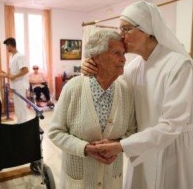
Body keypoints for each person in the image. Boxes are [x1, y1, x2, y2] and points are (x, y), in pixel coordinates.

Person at [81, 1, 193, 189]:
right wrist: (92, 68)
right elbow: (111, 91)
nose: (120, 35)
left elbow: (171, 126)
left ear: (147, 29)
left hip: (175, 149)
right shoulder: (135, 67)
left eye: (126, 29)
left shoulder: (178, 65)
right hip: (143, 147)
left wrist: (122, 145)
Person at [48, 30, 136, 189]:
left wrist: (117, 146)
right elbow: (55, 132)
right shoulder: (73, 88)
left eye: (123, 53)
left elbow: (131, 131)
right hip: (78, 181)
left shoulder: (126, 91)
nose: (123, 59)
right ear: (97, 57)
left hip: (112, 180)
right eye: (117, 53)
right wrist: (85, 148)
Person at [4, 37, 29, 123]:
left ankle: (23, 123)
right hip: (15, 85)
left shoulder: (20, 56)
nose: (6, 48)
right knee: (17, 106)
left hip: (20, 85)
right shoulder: (12, 56)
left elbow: (25, 70)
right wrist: (9, 75)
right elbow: (14, 71)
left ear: (10, 45)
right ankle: (20, 122)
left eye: (7, 46)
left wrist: (14, 77)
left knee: (21, 106)